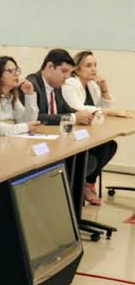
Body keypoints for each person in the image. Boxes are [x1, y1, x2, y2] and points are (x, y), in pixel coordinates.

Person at [26, 49, 114, 204]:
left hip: (55, 137)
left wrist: (80, 115)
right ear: (50, 66)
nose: (67, 77)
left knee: (103, 147)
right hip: (35, 142)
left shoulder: (57, 86)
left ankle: (75, 192)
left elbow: (65, 108)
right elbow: (35, 117)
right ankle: (68, 194)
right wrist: (74, 117)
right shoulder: (33, 84)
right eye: (64, 71)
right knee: (77, 156)